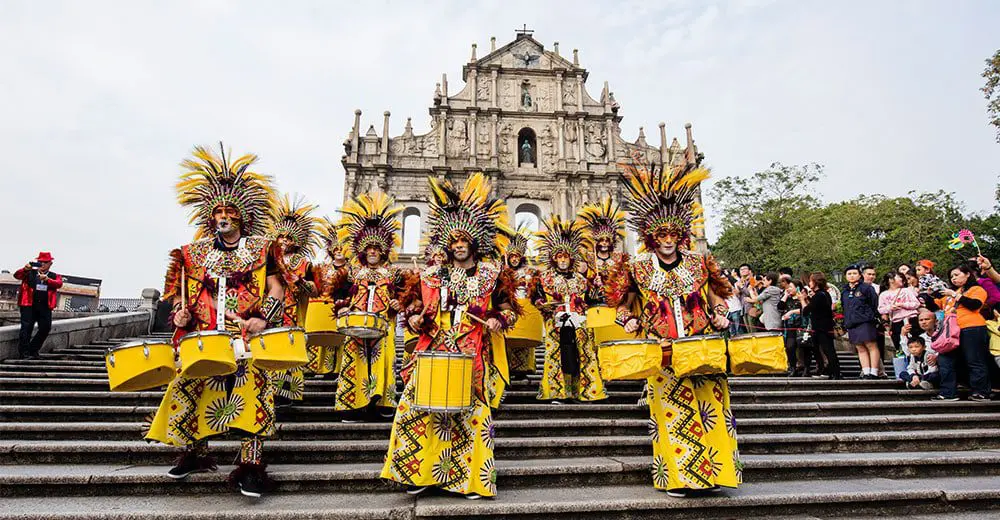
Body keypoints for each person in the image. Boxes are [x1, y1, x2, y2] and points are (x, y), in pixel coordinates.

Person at [146, 144, 283, 498]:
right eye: (218, 211)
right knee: (190, 390)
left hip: (244, 338)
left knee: (252, 396)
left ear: (241, 216)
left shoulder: (262, 249)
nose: (223, 216)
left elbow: (277, 288)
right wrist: (181, 311)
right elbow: (180, 292)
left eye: (229, 211)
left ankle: (251, 467)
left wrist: (262, 319)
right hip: (204, 337)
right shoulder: (193, 254)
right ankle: (194, 452)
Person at [382, 173, 519, 499]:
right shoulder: (430, 275)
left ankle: (469, 479)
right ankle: (420, 474)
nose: (459, 245)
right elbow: (414, 306)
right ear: (447, 243)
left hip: (473, 355)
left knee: (469, 416)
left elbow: (509, 308)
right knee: (416, 409)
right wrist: (414, 317)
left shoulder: (491, 273)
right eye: (454, 240)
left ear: (473, 242)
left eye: (464, 240)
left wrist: (500, 319)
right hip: (433, 351)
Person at [608, 159, 739, 497]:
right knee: (673, 413)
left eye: (673, 233)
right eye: (661, 234)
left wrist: (722, 313)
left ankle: (717, 473)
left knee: (711, 408)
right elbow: (621, 305)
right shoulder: (637, 267)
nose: (668, 239)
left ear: (681, 235)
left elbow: (717, 296)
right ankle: (682, 477)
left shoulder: (698, 263)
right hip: (663, 350)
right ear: (651, 237)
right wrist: (629, 319)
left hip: (702, 346)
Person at [332, 191, 411, 422]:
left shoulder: (394, 273)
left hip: (383, 326)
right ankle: (354, 406)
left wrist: (399, 303)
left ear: (383, 250)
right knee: (355, 364)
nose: (373, 251)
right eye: (369, 248)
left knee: (382, 364)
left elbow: (408, 293)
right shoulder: (353, 272)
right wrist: (341, 308)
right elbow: (338, 293)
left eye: (377, 248)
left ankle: (381, 404)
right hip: (356, 325)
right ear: (363, 250)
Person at [534, 215, 607, 404]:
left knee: (580, 355)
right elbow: (538, 296)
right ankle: (559, 393)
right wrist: (543, 304)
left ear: (571, 258)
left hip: (578, 323)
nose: (563, 260)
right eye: (559, 257)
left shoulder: (581, 279)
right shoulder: (545, 278)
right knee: (559, 357)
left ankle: (583, 391)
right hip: (555, 324)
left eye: (566, 256)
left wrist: (598, 287)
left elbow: (591, 300)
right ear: (554, 259)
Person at [268, 195, 321, 407]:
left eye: (288, 238)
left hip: (292, 314)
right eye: (280, 236)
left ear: (295, 242)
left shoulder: (304, 264)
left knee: (288, 354)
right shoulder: (265, 261)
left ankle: (286, 394)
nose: (283, 241)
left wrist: (298, 280)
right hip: (269, 314)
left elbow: (315, 290)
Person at [932, 264, 991, 401]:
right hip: (950, 330)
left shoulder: (976, 289)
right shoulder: (949, 294)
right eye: (951, 276)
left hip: (972, 327)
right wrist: (928, 294)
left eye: (956, 275)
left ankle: (980, 391)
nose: (953, 278)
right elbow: (934, 305)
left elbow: (975, 305)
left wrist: (955, 295)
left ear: (967, 274)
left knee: (974, 360)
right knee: (945, 360)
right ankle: (948, 392)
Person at [305, 218, 351, 380]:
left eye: (341, 248)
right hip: (319, 307)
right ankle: (311, 367)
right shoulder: (321, 267)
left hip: (339, 307)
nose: (338, 251)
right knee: (315, 336)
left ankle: (331, 369)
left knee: (335, 339)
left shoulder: (351, 271)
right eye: (335, 248)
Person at [502, 227, 541, 380]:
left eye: (517, 256)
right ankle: (507, 367)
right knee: (508, 337)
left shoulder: (530, 272)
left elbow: (536, 290)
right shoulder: (503, 272)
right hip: (510, 307)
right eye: (511, 257)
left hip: (526, 307)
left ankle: (523, 368)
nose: (514, 259)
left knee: (525, 340)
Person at [13, 252, 63, 359]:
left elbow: (59, 284)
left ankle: (33, 349)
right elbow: (17, 275)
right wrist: (25, 269)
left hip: (45, 306)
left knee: (46, 327)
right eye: (40, 262)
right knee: (26, 328)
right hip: (29, 304)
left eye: (45, 262)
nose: (42, 264)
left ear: (50, 263)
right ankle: (24, 353)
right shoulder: (29, 272)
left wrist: (47, 279)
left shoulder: (54, 276)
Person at [842, 264, 881, 379]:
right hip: (851, 322)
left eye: (854, 273)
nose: (852, 276)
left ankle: (874, 371)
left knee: (871, 345)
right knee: (859, 347)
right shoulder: (845, 291)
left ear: (860, 275)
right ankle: (866, 371)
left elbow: (874, 304)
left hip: (865, 320)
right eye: (849, 274)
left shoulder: (866, 288)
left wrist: (870, 316)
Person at [799, 272, 840, 379]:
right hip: (822, 326)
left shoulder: (819, 295)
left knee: (828, 350)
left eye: (811, 281)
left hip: (822, 327)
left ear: (816, 282)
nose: (810, 283)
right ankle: (830, 372)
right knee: (823, 349)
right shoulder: (823, 294)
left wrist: (802, 300)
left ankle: (835, 373)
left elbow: (806, 311)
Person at [878, 272, 920, 353]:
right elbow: (881, 309)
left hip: (912, 319)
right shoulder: (883, 294)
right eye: (898, 277)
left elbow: (916, 303)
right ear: (891, 280)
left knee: (916, 342)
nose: (901, 279)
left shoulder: (906, 290)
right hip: (896, 322)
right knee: (899, 343)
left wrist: (903, 304)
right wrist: (890, 307)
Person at [778, 280, 805, 375]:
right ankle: (793, 367)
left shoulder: (802, 297)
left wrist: (791, 312)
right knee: (789, 347)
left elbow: (805, 309)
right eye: (788, 287)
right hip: (789, 326)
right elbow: (780, 307)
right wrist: (785, 295)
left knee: (803, 347)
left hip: (801, 326)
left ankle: (805, 368)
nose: (789, 289)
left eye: (791, 287)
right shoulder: (788, 298)